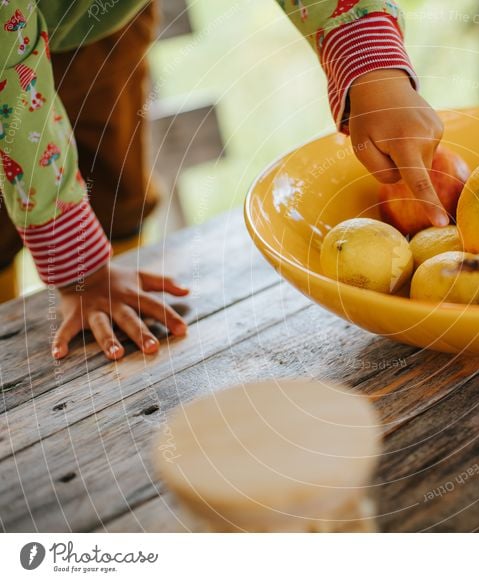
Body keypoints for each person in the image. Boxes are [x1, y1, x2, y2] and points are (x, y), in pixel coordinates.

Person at [0, 0, 445, 360]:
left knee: (116, 189)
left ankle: (116, 276)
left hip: (101, 27)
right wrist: (81, 270)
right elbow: (12, 99)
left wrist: (370, 59)